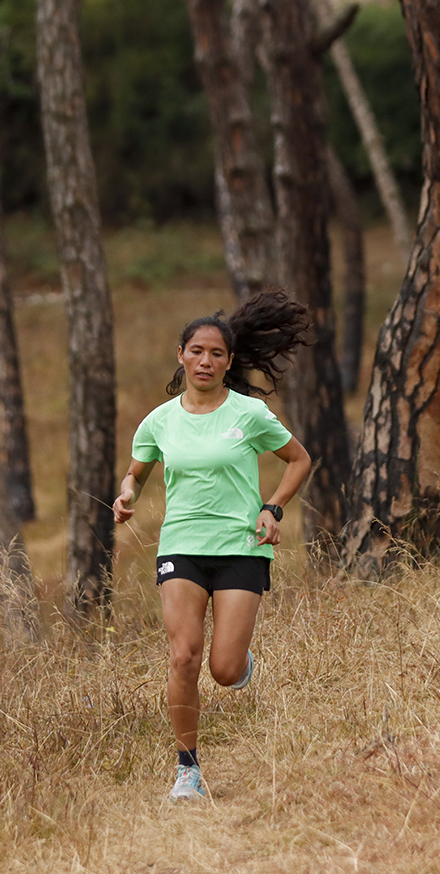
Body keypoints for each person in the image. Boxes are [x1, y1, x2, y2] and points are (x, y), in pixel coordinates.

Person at [113, 289, 312, 802]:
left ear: (228, 362)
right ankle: (188, 769)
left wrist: (272, 508)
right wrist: (127, 493)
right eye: (196, 351)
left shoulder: (249, 414)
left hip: (242, 547)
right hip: (181, 546)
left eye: (216, 353)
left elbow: (299, 460)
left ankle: (241, 663)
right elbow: (137, 469)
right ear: (181, 356)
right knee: (183, 657)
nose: (205, 360)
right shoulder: (159, 420)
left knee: (223, 670)